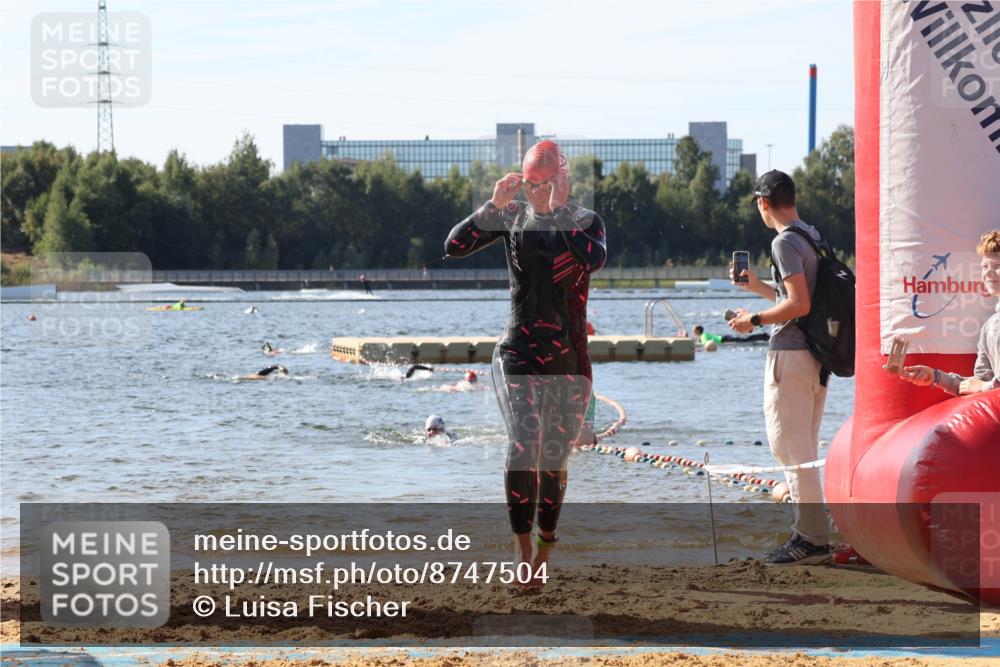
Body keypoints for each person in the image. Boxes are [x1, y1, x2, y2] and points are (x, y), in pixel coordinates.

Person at [444, 140, 606, 586]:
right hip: (517, 349)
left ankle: (543, 557)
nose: (534, 193)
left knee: (554, 460)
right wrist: (492, 204)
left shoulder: (586, 221)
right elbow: (453, 246)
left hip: (570, 358)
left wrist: (556, 211)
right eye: (528, 184)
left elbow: (593, 259)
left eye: (544, 184)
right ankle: (521, 553)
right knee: (524, 440)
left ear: (562, 179)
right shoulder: (511, 216)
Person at [728, 170, 832, 565]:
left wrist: (753, 320)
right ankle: (812, 531)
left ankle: (810, 539)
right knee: (801, 444)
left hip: (790, 354)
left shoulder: (783, 241)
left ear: (763, 203)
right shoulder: (812, 235)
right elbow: (800, 297)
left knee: (789, 446)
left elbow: (799, 306)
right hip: (817, 356)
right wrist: (757, 287)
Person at [890, 229, 1000, 394]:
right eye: (984, 266)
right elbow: (978, 383)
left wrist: (984, 386)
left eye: (997, 266)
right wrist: (935, 377)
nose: (988, 272)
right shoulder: (990, 327)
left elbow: (985, 386)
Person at [692, 324, 769, 346]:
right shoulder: (702, 336)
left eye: (694, 330)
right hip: (725, 338)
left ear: (698, 331)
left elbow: (705, 344)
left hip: (725, 339)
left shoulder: (703, 336)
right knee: (745, 339)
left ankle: (763, 336)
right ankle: (763, 336)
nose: (693, 332)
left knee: (746, 340)